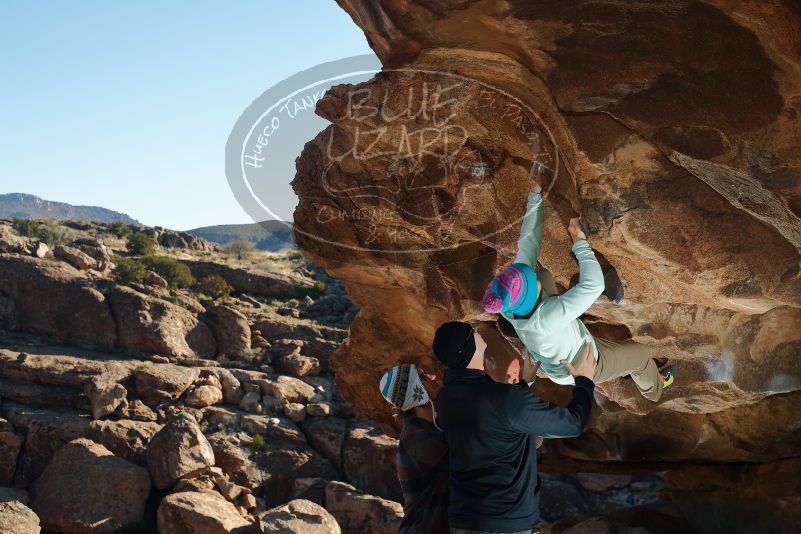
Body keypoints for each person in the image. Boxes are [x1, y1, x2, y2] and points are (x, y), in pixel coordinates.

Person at [481, 180, 676, 401]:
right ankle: (655, 387)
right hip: (582, 365)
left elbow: (528, 244)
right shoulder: (548, 317)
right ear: (530, 296)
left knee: (543, 274)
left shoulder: (510, 306)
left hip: (559, 343)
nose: (533, 276)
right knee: (640, 355)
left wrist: (535, 194)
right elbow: (594, 286)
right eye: (531, 281)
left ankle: (558, 346)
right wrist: (580, 242)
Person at [433, 321, 596, 533]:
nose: (476, 330)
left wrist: (521, 387)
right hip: (502, 521)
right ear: (467, 348)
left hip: (465, 517)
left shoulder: (446, 398)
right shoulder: (500, 399)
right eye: (471, 332)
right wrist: (584, 379)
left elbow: (493, 431)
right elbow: (573, 423)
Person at [379, 363, 449, 533]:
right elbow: (469, 452)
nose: (434, 378)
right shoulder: (415, 436)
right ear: (414, 391)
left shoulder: (429, 428)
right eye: (424, 378)